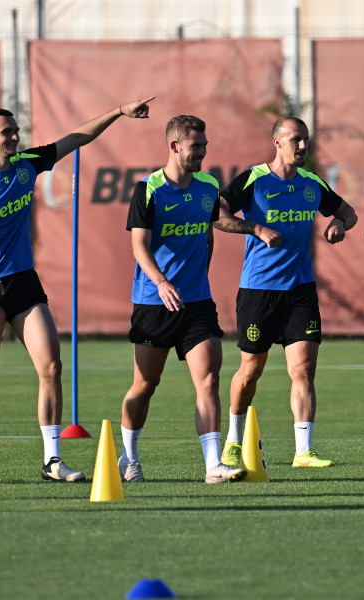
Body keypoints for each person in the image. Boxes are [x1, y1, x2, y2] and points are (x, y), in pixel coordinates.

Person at [0, 96, 155, 482]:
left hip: (25, 283)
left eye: (16, 130)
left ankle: (52, 461)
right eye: (7, 132)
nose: (15, 136)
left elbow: (76, 138)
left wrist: (118, 112)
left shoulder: (28, 166)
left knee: (52, 367)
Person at [215, 116, 357, 468]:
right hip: (259, 290)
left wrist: (339, 222)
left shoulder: (311, 183)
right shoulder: (254, 179)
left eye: (306, 139)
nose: (302, 146)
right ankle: (233, 439)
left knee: (304, 369)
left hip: (300, 290)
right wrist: (256, 228)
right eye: (295, 139)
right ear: (276, 141)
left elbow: (349, 212)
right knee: (251, 370)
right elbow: (216, 214)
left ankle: (303, 451)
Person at [118, 115, 247, 484]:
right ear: (174, 146)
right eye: (196, 146)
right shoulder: (148, 189)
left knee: (208, 379)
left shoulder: (208, 186)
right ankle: (129, 457)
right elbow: (138, 246)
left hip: (197, 303)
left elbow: (207, 235)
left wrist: (197, 277)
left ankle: (212, 466)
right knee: (145, 384)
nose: (203, 153)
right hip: (153, 302)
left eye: (205, 145)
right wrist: (160, 282)